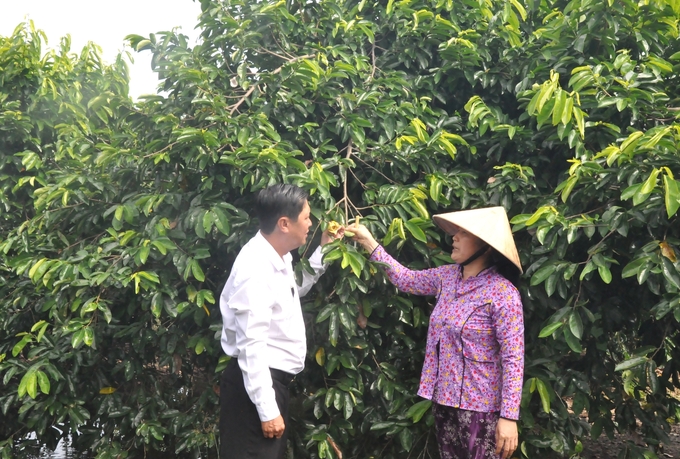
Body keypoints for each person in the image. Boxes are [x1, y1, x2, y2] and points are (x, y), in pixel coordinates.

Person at [347, 206, 524, 459]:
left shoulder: (504, 294)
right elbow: (405, 279)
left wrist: (508, 417)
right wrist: (368, 241)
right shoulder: (446, 277)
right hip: (445, 400)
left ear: (485, 247)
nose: (454, 237)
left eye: (463, 233)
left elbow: (513, 358)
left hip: (482, 408)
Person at [219, 184, 343, 459]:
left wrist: (324, 250)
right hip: (256, 387)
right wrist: (267, 409)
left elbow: (293, 287)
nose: (311, 223)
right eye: (307, 217)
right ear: (284, 223)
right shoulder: (256, 269)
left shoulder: (276, 255)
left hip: (270, 385)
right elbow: (252, 346)